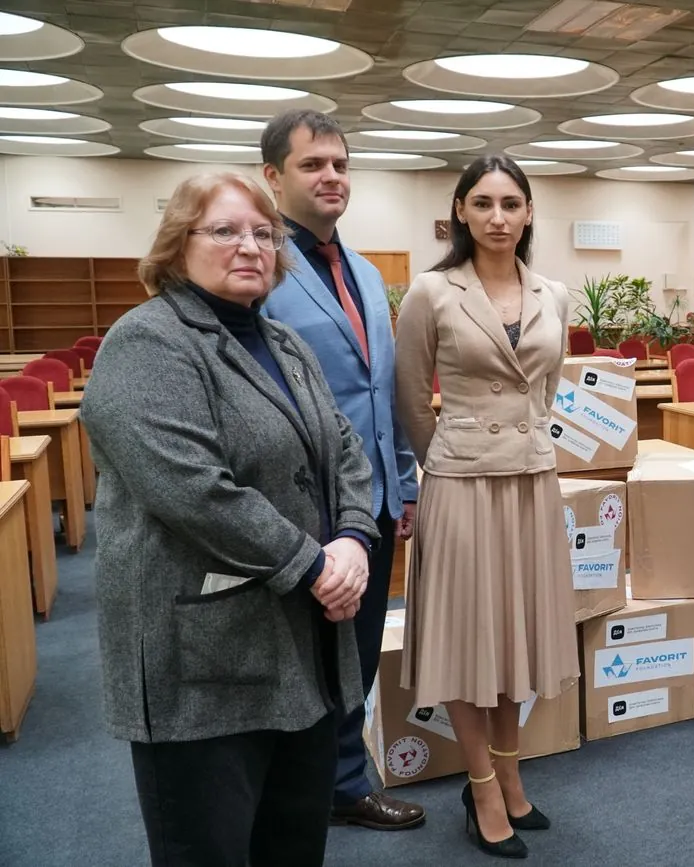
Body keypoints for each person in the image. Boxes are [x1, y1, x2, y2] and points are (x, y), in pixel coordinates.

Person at [79, 172, 379, 866]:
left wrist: (354, 538)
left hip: (299, 649)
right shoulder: (146, 343)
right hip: (201, 661)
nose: (250, 246)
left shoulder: (284, 343)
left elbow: (345, 450)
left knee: (293, 844)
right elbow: (193, 490)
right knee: (207, 851)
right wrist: (316, 565)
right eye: (224, 230)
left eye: (263, 233)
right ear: (176, 244)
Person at [394, 154, 578, 859]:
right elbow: (412, 398)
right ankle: (481, 789)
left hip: (530, 482)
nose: (497, 217)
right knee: (468, 642)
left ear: (529, 213)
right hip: (462, 484)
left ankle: (510, 773)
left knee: (512, 639)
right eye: (483, 204)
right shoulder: (432, 292)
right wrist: (450, 456)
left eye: (510, 204)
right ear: (460, 212)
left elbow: (545, 392)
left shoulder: (554, 294)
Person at [259, 109, 425, 831]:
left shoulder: (365, 271)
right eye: (312, 165)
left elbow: (385, 389)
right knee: (297, 656)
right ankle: (293, 789)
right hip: (298, 503)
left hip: (375, 499)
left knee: (357, 651)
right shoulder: (260, 267)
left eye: (340, 164)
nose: (331, 177)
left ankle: (345, 782)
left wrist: (404, 481)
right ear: (273, 177)